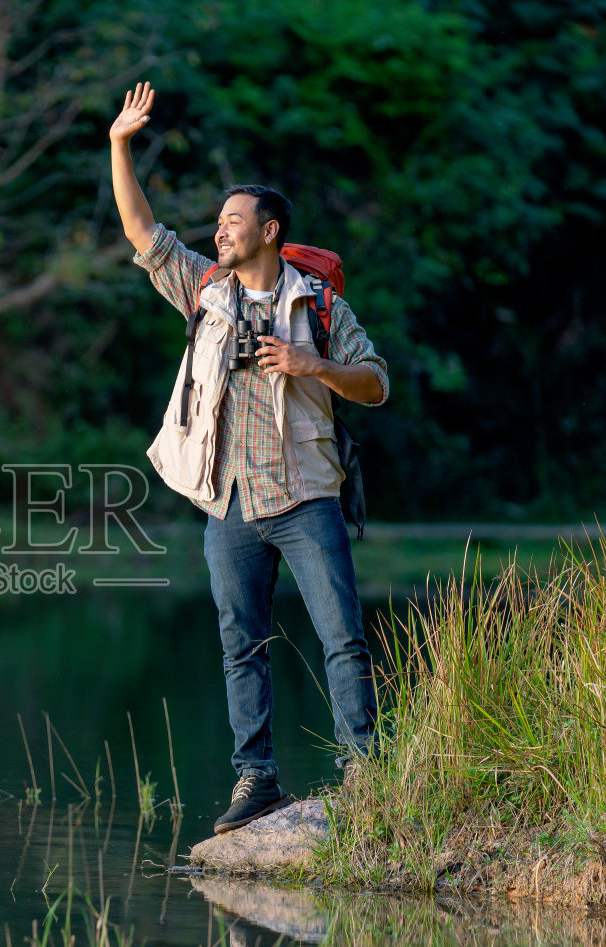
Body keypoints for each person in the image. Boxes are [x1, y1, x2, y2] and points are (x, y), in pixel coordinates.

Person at [109, 83, 388, 834]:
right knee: (242, 646)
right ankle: (256, 779)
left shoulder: (320, 306)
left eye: (233, 221)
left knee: (342, 638)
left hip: (306, 499)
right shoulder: (205, 289)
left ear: (269, 230)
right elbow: (143, 231)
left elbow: (377, 383)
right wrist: (119, 145)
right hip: (226, 504)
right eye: (220, 221)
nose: (220, 229)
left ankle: (364, 778)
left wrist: (313, 366)